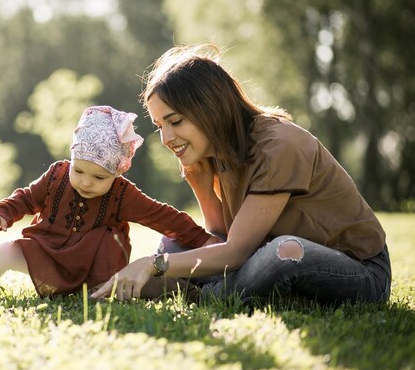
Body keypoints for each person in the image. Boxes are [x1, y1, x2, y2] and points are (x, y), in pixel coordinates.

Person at [91, 44, 391, 305]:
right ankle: (124, 285)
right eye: (159, 126)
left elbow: (234, 253)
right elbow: (219, 237)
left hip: (358, 269)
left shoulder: (280, 145)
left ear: (210, 108)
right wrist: (202, 183)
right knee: (176, 243)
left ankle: (204, 294)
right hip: (257, 252)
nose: (167, 138)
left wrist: (154, 264)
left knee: (283, 252)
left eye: (176, 121)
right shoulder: (213, 153)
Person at [0, 105, 214, 297]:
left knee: (138, 287)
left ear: (117, 172)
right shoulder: (56, 176)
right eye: (79, 171)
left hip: (100, 270)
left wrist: (206, 242)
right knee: (4, 252)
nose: (86, 182)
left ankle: (188, 290)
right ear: (71, 160)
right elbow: (27, 198)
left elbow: (162, 216)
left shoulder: (121, 194)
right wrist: (2, 213)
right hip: (47, 253)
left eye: (98, 177)